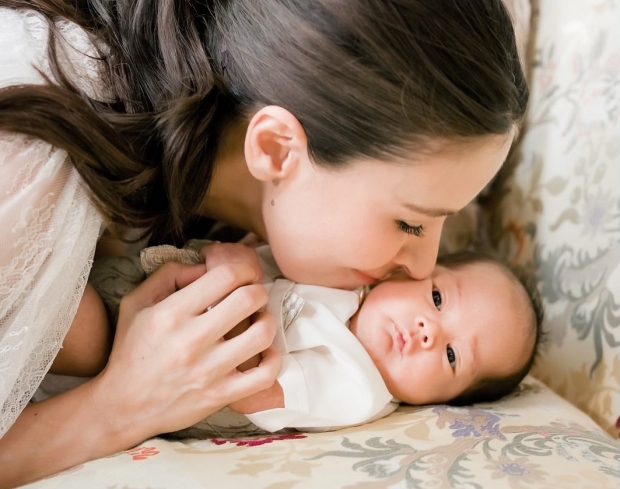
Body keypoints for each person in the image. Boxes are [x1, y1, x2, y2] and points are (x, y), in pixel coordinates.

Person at [0, 0, 528, 485]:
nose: (422, 269)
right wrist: (118, 406)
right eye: (411, 223)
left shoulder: (236, 211)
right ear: (276, 149)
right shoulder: (26, 169)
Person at [53, 242, 543, 433]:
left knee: (76, 324)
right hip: (158, 286)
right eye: (437, 299)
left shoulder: (358, 388)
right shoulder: (355, 280)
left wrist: (238, 275)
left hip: (140, 358)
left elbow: (251, 389)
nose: (427, 332)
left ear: (445, 401)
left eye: (453, 356)